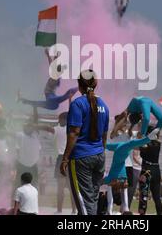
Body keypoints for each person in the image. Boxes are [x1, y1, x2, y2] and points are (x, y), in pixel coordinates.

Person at [60, 69, 110, 215]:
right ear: (96, 84)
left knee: (83, 203)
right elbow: (104, 136)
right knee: (92, 201)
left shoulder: (78, 104)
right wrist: (101, 154)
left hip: (81, 158)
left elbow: (74, 133)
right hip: (99, 157)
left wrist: (65, 159)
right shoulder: (105, 106)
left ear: (79, 85)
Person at [105, 127, 160, 215]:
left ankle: (149, 138)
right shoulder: (114, 180)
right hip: (121, 150)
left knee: (108, 145)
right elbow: (122, 187)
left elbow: (109, 191)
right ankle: (149, 138)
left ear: (116, 190)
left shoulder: (110, 180)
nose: (118, 191)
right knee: (130, 144)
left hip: (119, 149)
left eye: (117, 191)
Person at [18, 48, 78, 114]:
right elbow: (52, 66)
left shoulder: (56, 75)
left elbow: (52, 66)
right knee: (38, 103)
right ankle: (21, 99)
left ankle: (22, 99)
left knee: (41, 103)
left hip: (53, 101)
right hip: (51, 98)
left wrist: (51, 56)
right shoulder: (54, 75)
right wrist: (49, 55)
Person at [14, 117, 54, 188]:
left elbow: (49, 129)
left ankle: (32, 198)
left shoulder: (36, 135)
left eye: (30, 126)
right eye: (27, 126)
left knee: (34, 185)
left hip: (33, 165)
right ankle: (15, 198)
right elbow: (17, 151)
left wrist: (34, 126)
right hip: (22, 164)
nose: (28, 128)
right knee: (18, 184)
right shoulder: (20, 135)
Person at [53, 112, 77, 215]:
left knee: (61, 188)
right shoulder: (74, 130)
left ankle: (60, 210)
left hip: (62, 157)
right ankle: (73, 210)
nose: (58, 121)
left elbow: (48, 129)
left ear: (64, 120)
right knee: (71, 188)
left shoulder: (58, 129)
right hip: (71, 158)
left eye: (60, 119)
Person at [138, 126, 162, 215]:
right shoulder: (158, 143)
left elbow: (141, 149)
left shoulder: (145, 144)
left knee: (143, 196)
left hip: (146, 170)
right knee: (157, 197)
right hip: (156, 170)